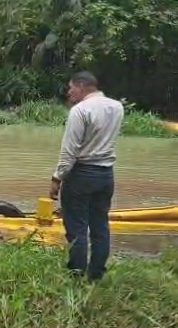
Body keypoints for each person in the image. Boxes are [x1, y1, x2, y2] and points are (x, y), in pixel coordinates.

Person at [49, 71, 124, 282]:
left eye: (71, 87)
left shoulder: (80, 110)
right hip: (106, 174)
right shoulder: (117, 107)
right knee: (100, 226)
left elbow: (69, 151)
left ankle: (75, 276)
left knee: (77, 227)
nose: (69, 92)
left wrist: (57, 179)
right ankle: (96, 274)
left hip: (81, 174)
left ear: (82, 86)